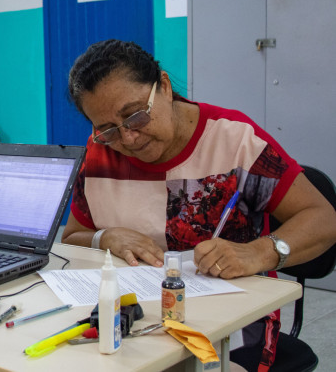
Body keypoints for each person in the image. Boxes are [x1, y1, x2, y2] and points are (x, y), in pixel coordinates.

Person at [61, 39, 336, 371]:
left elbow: (323, 219)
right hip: (129, 323)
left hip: (228, 327)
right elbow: (73, 237)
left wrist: (259, 252)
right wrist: (104, 237)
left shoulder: (234, 142)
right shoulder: (99, 151)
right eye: (107, 129)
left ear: (163, 86)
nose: (128, 138)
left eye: (135, 116)